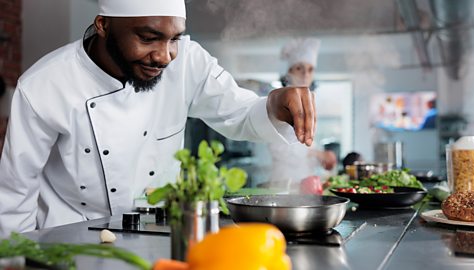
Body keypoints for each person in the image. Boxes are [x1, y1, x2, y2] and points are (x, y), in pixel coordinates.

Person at [0, 0, 317, 236]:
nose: (165, 55)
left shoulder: (188, 64)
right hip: (70, 242)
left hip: (160, 235)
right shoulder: (45, 85)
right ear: (103, 24)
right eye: (148, 38)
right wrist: (19, 257)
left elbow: (241, 113)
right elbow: (15, 193)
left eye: (174, 39)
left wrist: (274, 104)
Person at [268, 38, 336, 186]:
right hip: (285, 182)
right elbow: (279, 149)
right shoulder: (280, 100)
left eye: (310, 69)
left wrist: (321, 159)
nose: (306, 74)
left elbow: (306, 144)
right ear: (289, 71)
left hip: (305, 181)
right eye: (299, 68)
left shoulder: (308, 101)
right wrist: (318, 154)